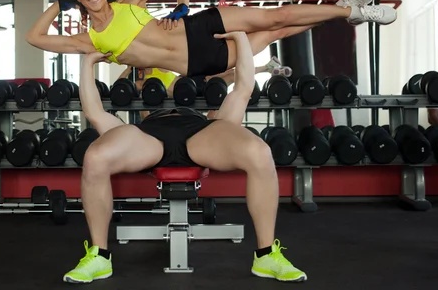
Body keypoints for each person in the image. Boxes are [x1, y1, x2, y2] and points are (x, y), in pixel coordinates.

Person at [63, 31, 307, 283]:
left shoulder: (216, 120)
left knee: (260, 151)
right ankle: (99, 257)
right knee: (95, 156)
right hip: (149, 140)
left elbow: (243, 87)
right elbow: (93, 111)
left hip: (200, 137)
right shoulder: (140, 126)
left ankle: (266, 256)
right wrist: (88, 62)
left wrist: (240, 37)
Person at [26, 0, 396, 78]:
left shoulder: (129, 2)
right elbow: (35, 38)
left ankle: (354, 9)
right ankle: (349, 9)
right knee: (278, 32)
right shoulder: (88, 40)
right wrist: (60, 3)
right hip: (204, 60)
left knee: (275, 16)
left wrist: (183, 6)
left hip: (199, 25)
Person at [118, 56, 291, 120]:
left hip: (192, 82)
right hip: (188, 94)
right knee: (230, 75)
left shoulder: (157, 64)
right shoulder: (143, 83)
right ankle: (267, 68)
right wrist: (127, 69)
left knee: (230, 72)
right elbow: (119, 87)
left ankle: (267, 68)